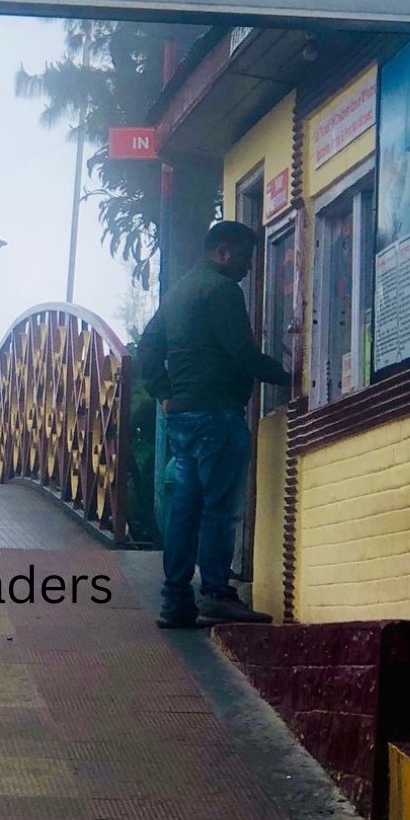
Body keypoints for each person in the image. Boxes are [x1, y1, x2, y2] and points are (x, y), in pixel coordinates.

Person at [138, 220, 290, 629]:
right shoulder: (223, 290)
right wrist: (290, 377)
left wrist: (164, 392)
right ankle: (218, 593)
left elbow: (147, 347)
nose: (246, 268)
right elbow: (241, 352)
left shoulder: (179, 291)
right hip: (218, 415)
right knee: (220, 509)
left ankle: (175, 600)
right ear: (224, 251)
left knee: (186, 507)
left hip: (184, 415)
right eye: (243, 258)